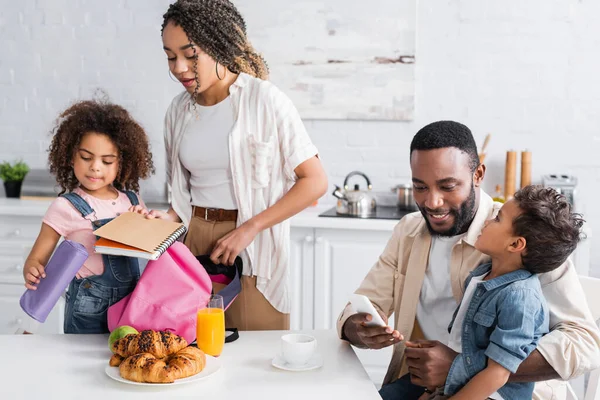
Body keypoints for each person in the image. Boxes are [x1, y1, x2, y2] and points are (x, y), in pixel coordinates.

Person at [337, 121, 600, 400]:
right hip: (423, 383)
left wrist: (462, 366)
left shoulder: (522, 235)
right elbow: (363, 306)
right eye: (420, 187)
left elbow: (584, 344)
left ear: (478, 175)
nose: (433, 202)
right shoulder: (408, 231)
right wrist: (359, 329)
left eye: (447, 186)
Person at [130, 0, 327, 331]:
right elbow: (180, 201)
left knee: (256, 363)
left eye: (190, 55)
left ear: (218, 46)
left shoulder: (265, 101)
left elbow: (315, 181)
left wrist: (247, 230)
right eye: (170, 56)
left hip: (251, 248)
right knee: (195, 357)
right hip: (193, 244)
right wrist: (161, 219)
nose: (179, 67)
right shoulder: (177, 112)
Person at [419, 185, 584, 399]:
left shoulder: (520, 298)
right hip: (458, 384)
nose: (487, 222)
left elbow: (498, 373)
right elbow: (462, 345)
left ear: (515, 244)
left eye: (497, 219)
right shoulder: (482, 275)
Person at [22, 97, 155, 334]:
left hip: (130, 305)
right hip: (87, 308)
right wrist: (32, 269)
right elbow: (37, 259)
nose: (95, 167)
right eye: (86, 157)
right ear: (71, 157)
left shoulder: (132, 201)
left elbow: (148, 252)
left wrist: (143, 221)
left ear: (120, 164)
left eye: (107, 161)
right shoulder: (65, 206)